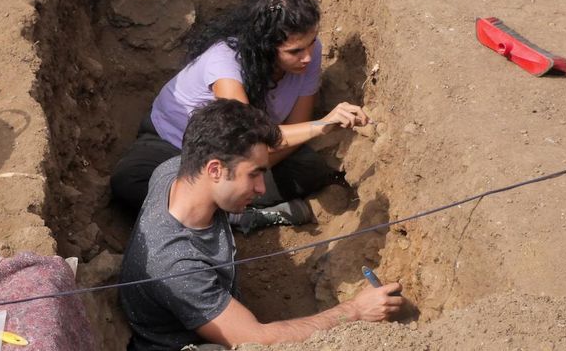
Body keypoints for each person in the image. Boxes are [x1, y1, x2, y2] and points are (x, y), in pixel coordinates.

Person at [119, 99, 403, 351]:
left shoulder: (174, 171)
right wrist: (354, 311)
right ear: (215, 170)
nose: (259, 188)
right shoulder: (176, 265)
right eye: (254, 175)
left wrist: (322, 124)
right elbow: (256, 339)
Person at [110, 0, 369, 230]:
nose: (308, 57)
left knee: (308, 167)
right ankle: (242, 218)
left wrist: (254, 164)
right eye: (295, 51)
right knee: (130, 182)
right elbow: (244, 138)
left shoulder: (308, 54)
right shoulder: (225, 64)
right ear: (266, 48)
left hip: (241, 157)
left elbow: (290, 130)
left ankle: (220, 206)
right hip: (173, 145)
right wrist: (319, 127)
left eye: (312, 43)